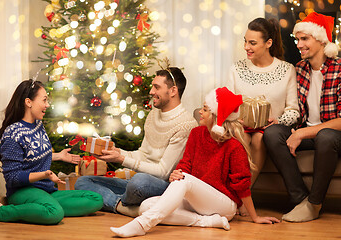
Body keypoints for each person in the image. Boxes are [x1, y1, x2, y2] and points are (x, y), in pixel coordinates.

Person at [110, 87, 280, 238]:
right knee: (146, 206)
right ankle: (206, 222)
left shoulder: (234, 146)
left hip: (224, 204)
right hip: (196, 201)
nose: (200, 111)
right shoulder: (197, 134)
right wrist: (177, 172)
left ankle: (142, 225)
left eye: (205, 109)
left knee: (183, 181)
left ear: (216, 116)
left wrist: (255, 217)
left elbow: (242, 185)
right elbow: (186, 163)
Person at [0, 79, 103, 224]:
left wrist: (58, 156)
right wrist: (44, 174)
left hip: (46, 190)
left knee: (95, 199)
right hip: (22, 192)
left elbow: (33, 155)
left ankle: (41, 207)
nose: (47, 105)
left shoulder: (38, 124)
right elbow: (13, 177)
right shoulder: (13, 134)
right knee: (55, 213)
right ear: (28, 102)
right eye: (44, 100)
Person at [75, 67, 198, 217]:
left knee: (139, 182)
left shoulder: (186, 125)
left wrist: (122, 159)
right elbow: (143, 154)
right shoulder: (153, 115)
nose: (151, 92)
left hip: (163, 185)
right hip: (139, 183)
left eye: (156, 87)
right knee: (82, 182)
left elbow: (163, 172)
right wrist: (118, 153)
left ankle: (119, 202)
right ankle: (123, 206)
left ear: (173, 91)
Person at [264, 12, 341, 222]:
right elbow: (293, 108)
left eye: (304, 38)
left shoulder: (339, 70)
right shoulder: (299, 69)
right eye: (297, 39)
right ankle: (301, 199)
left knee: (325, 135)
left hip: (334, 136)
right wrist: (279, 120)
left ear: (321, 38)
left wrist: (303, 132)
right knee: (272, 133)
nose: (299, 44)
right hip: (308, 131)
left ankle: (315, 204)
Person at [225, 17, 300, 186]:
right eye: (245, 42)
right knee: (241, 137)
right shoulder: (236, 69)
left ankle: (245, 193)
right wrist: (236, 118)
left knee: (259, 140)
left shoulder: (287, 70)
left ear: (268, 43)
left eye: (252, 43)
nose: (246, 47)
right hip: (240, 126)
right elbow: (227, 103)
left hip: (269, 129)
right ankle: (234, 193)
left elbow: (294, 111)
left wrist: (278, 121)